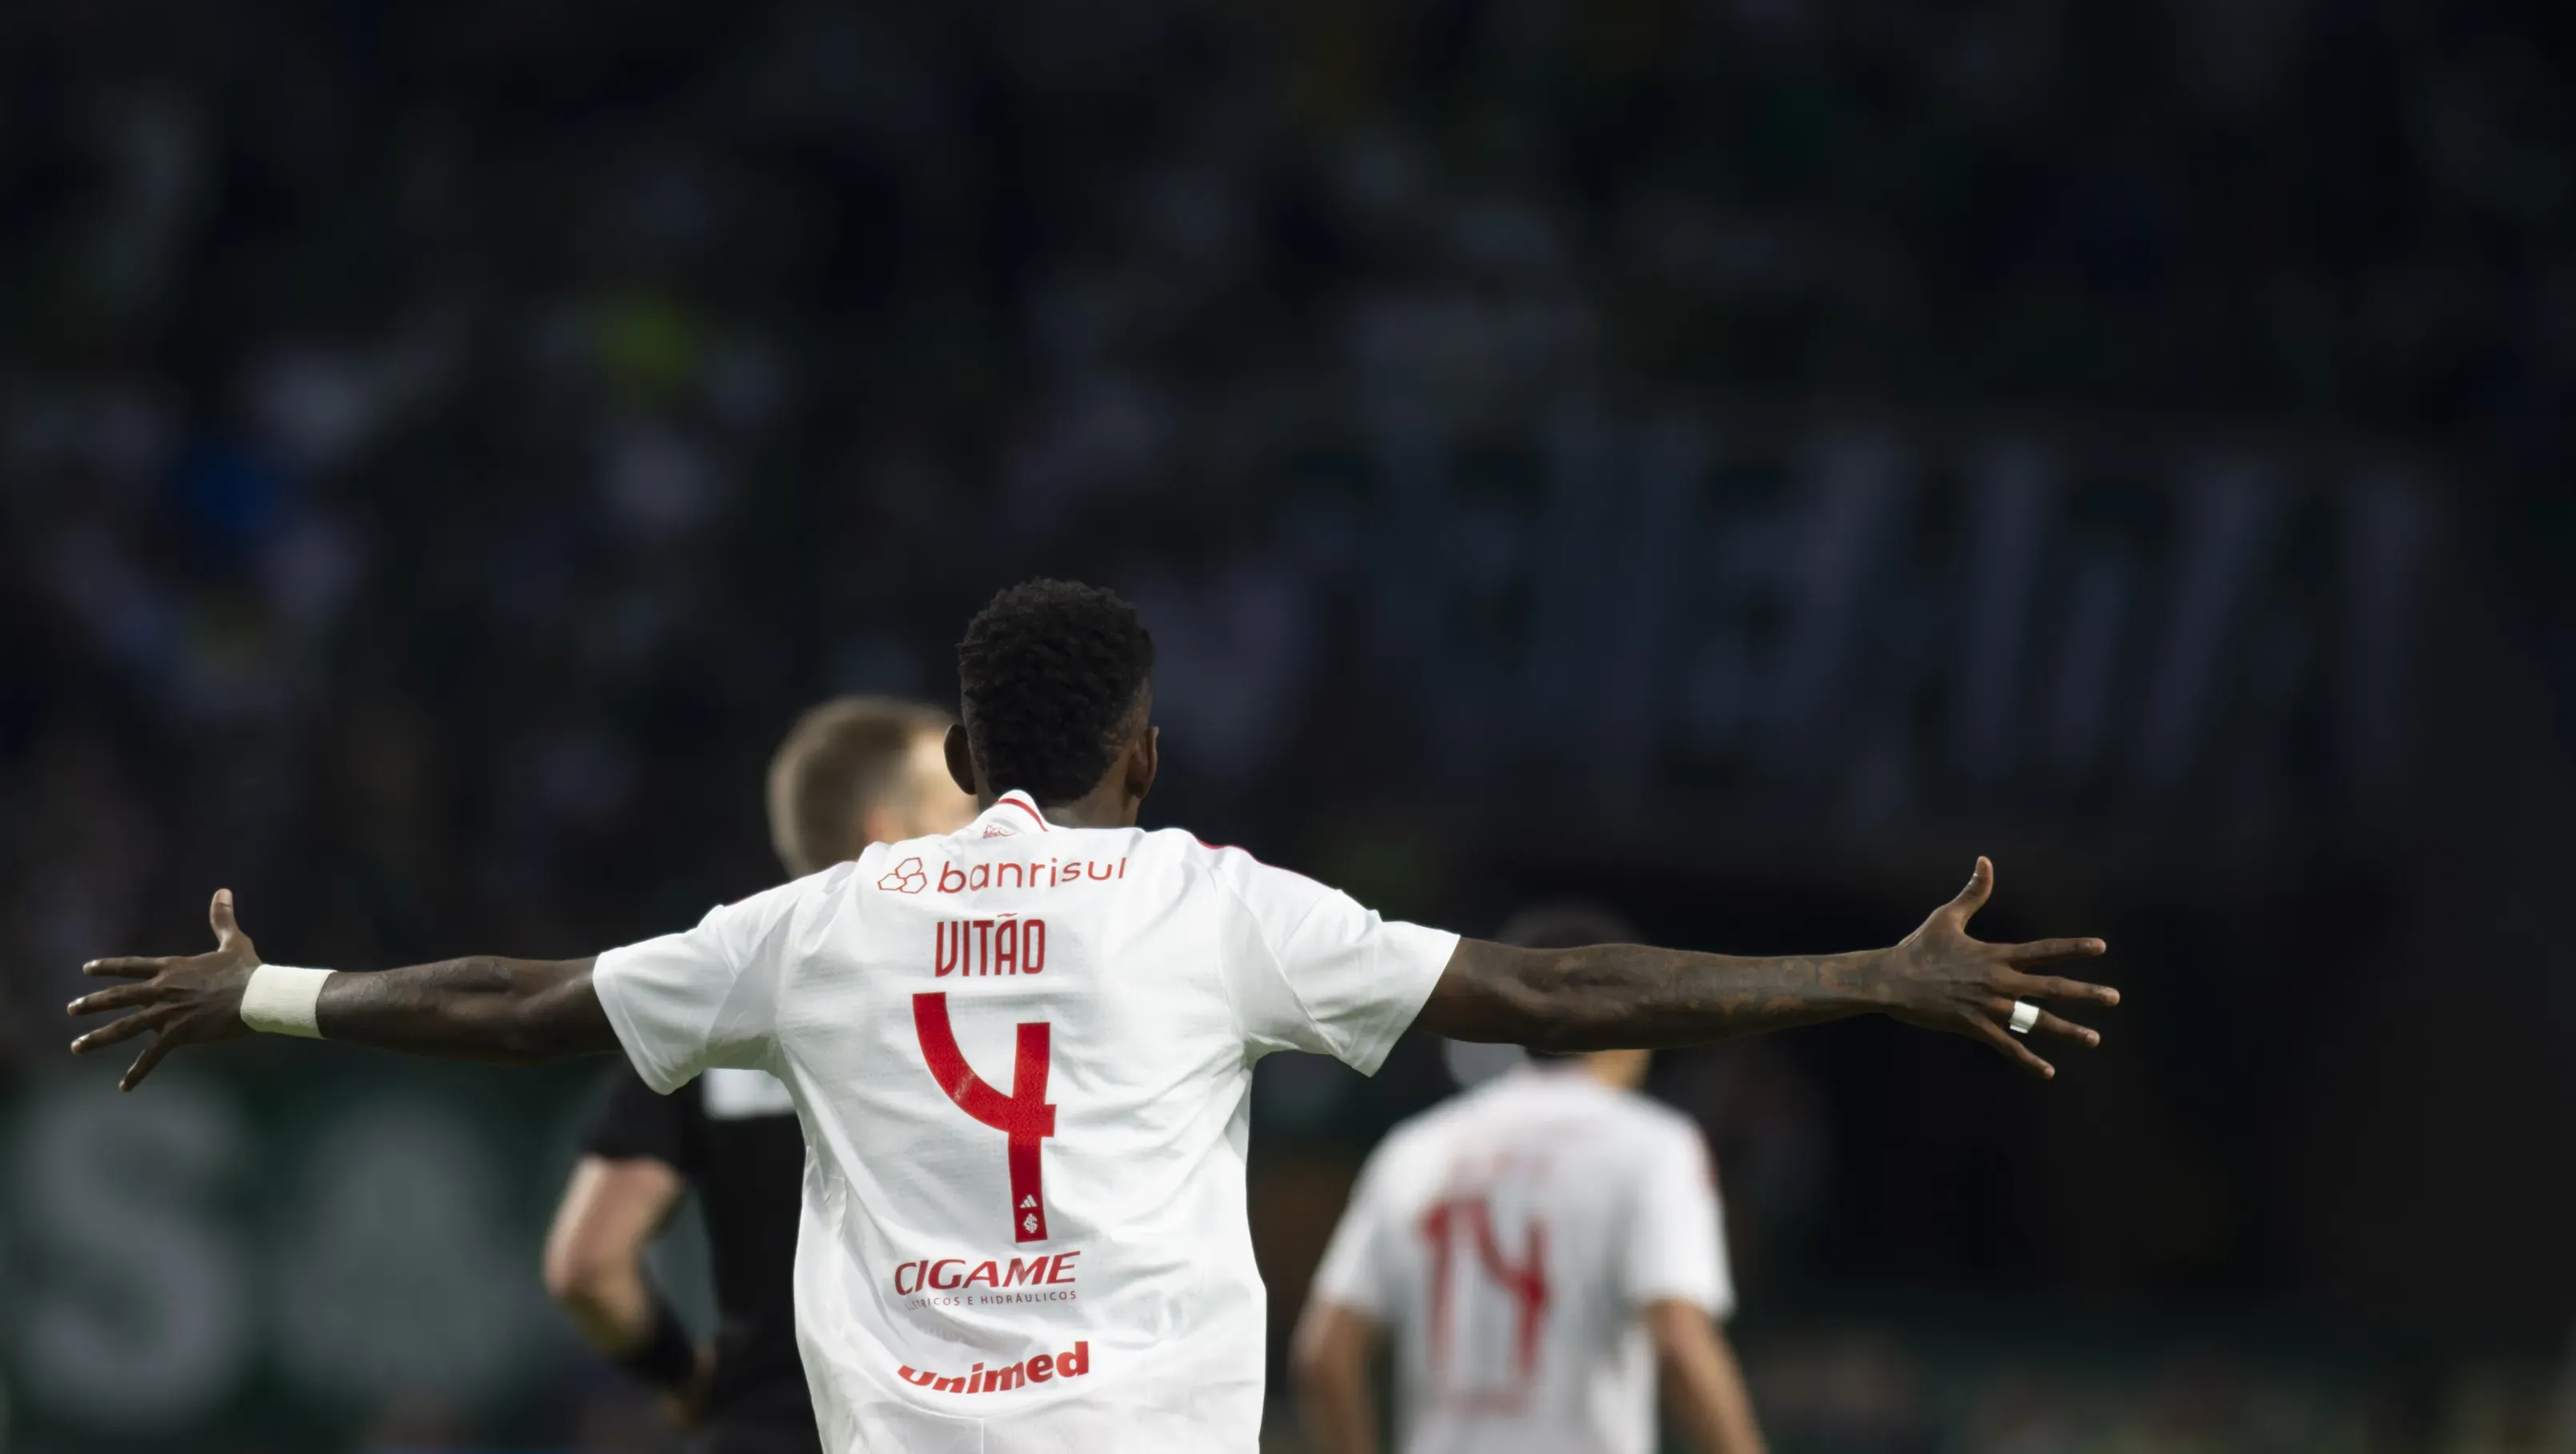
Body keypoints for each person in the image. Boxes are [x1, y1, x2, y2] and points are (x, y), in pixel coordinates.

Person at [67, 578, 2118, 1454]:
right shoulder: (1212, 908)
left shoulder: (827, 922)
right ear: (1152, 739)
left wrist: (271, 990)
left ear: (958, 749)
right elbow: (1553, 984)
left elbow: (525, 1006)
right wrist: (1869, 974)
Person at [542, 696, 975, 1454]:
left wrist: (684, 1379)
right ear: (888, 835)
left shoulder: (715, 1013)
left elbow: (589, 1264)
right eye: (956, 810)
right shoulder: (999, 1006)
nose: (982, 838)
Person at [1294, 902, 1766, 1454]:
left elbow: (1324, 1354)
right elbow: (1682, 1344)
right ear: (1640, 1014)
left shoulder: (1416, 1148)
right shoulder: (1652, 1146)